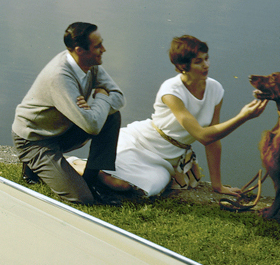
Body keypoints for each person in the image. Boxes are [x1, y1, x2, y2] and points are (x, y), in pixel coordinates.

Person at [102, 35, 267, 198]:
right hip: (139, 143)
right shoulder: (171, 90)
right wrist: (242, 117)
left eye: (206, 59)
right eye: (198, 62)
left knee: (149, 188)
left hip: (167, 159)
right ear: (182, 66)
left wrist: (217, 185)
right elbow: (202, 136)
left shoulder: (215, 89)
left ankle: (94, 173)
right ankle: (82, 168)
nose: (206, 65)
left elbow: (213, 140)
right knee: (119, 184)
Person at [12, 22, 126, 205]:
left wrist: (96, 104)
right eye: (98, 46)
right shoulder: (59, 76)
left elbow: (119, 98)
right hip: (34, 140)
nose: (103, 49)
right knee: (82, 198)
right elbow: (92, 126)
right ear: (80, 50)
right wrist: (102, 97)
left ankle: (91, 180)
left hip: (61, 130)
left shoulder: (91, 64)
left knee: (111, 117)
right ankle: (32, 163)